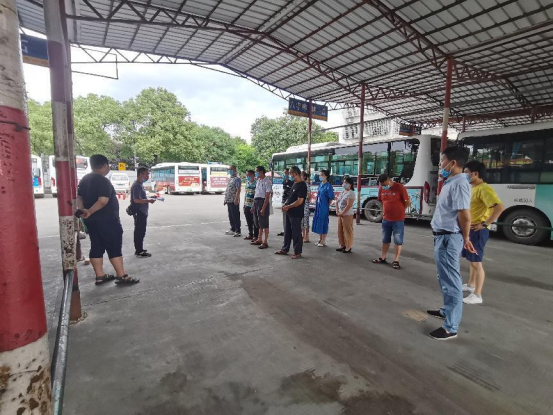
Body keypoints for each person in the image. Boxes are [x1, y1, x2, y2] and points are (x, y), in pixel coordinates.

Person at [427, 146, 476, 340]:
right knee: (444, 278)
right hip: (442, 236)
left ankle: (450, 328)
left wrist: (466, 237)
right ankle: (447, 311)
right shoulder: (452, 182)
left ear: (453, 163)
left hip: (449, 237)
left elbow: (465, 214)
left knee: (452, 282)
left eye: (442, 161)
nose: (440, 165)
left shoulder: (460, 184)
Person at [77, 154, 139, 285]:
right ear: (105, 165)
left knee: (96, 246)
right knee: (114, 246)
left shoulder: (84, 180)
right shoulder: (103, 180)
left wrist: (84, 211)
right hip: (107, 221)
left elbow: (79, 198)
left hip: (91, 222)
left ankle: (100, 276)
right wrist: (90, 211)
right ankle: (121, 276)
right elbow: (103, 201)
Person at [461, 160, 504, 305]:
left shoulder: (484, 189)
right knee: (472, 260)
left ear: (475, 174)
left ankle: (477, 294)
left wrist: (485, 223)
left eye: (466, 173)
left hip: (477, 230)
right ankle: (471, 284)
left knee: (476, 262)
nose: (464, 175)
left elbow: (499, 207)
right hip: (470, 229)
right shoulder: (473, 188)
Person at [372, 174, 410, 269]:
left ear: (389, 181)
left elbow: (407, 202)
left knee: (398, 240)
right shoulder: (381, 189)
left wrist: (401, 210)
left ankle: (396, 260)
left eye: (385, 184)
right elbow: (381, 201)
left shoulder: (399, 187)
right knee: (385, 239)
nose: (383, 186)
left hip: (398, 219)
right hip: (386, 219)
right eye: (382, 185)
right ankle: (383, 257)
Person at [275, 166, 308, 259]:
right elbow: (290, 197)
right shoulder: (294, 184)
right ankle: (285, 249)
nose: (289, 175)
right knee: (287, 232)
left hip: (296, 213)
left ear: (295, 174)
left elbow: (300, 201)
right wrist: (285, 204)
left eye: (290, 173)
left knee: (296, 233)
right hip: (288, 212)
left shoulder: (302, 185)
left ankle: (297, 252)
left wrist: (288, 206)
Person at [130, 167, 156, 258]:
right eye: (146, 174)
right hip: (139, 211)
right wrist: (149, 201)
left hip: (142, 211)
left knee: (141, 231)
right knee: (139, 231)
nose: (148, 176)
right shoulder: (137, 185)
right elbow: (136, 200)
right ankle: (139, 251)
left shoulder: (139, 185)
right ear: (141, 174)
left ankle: (139, 248)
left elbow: (141, 198)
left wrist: (150, 198)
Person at [251, 166, 272, 249]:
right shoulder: (258, 181)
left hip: (263, 202)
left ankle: (265, 241)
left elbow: (267, 196)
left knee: (264, 222)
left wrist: (263, 208)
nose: (256, 173)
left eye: (257, 172)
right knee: (258, 222)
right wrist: (253, 205)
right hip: (256, 202)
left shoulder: (267, 181)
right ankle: (259, 239)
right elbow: (256, 194)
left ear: (261, 172)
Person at [312, 169, 334, 247]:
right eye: (320, 175)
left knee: (323, 222)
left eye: (322, 175)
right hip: (318, 205)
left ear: (326, 176)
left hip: (324, 206)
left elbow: (331, 197)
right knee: (318, 222)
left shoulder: (328, 186)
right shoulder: (320, 185)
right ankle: (320, 239)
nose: (320, 176)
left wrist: (326, 204)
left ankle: (323, 240)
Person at [336, 176, 356, 253]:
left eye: (345, 183)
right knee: (340, 230)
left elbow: (349, 205)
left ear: (350, 184)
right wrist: (337, 211)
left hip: (347, 214)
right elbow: (337, 201)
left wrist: (342, 213)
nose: (343, 184)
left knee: (347, 231)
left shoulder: (351, 193)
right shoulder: (343, 192)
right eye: (343, 182)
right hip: (340, 214)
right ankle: (342, 245)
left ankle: (348, 246)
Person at [224, 165, 241, 237]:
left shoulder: (237, 179)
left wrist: (236, 199)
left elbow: (238, 189)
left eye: (231, 169)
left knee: (235, 215)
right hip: (229, 199)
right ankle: (233, 228)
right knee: (230, 215)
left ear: (234, 170)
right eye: (229, 169)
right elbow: (228, 189)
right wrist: (225, 199)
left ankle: (238, 231)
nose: (229, 171)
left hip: (234, 200)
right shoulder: (230, 178)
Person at [243, 169, 259, 241]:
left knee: (255, 221)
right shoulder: (247, 183)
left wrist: (254, 205)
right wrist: (244, 204)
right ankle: (250, 234)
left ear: (253, 175)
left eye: (249, 175)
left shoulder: (257, 183)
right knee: (248, 221)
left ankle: (256, 235)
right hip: (247, 204)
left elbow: (257, 195)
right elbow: (246, 194)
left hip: (253, 205)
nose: (247, 177)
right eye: (247, 175)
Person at [277, 168, 293, 236]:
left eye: (286, 173)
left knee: (289, 217)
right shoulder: (284, 181)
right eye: (284, 173)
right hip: (284, 200)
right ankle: (285, 230)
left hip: (289, 201)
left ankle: (290, 232)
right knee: (284, 217)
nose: (285, 174)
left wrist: (287, 202)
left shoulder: (292, 182)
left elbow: (291, 193)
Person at [301, 171, 311, 243]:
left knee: (306, 221)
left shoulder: (307, 185)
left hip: (305, 205)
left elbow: (309, 196)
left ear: (304, 177)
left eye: (301, 175)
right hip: (300, 205)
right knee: (301, 221)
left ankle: (307, 236)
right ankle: (303, 235)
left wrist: (303, 198)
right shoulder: (299, 184)